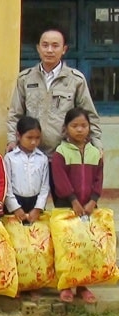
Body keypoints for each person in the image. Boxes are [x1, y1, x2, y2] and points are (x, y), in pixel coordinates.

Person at [7, 27, 102, 154]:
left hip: (65, 153)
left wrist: (97, 144)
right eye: (45, 45)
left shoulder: (75, 80)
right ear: (38, 48)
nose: (49, 50)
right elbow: (15, 114)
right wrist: (12, 141)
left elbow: (89, 115)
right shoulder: (25, 78)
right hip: (31, 153)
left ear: (64, 49)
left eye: (55, 46)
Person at [51, 108, 102, 304]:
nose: (79, 130)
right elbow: (60, 180)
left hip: (89, 207)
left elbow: (98, 178)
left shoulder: (95, 152)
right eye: (74, 126)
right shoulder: (60, 152)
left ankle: (82, 285)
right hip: (67, 206)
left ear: (89, 128)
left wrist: (93, 201)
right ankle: (65, 286)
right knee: (67, 246)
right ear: (66, 129)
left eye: (83, 126)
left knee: (85, 246)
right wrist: (73, 200)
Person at [4, 116, 49, 224]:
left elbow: (45, 186)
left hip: (35, 202)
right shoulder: (10, 158)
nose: (33, 142)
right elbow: (7, 185)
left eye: (37, 138)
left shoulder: (42, 158)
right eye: (29, 137)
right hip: (15, 201)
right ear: (18, 136)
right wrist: (15, 207)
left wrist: (38, 208)